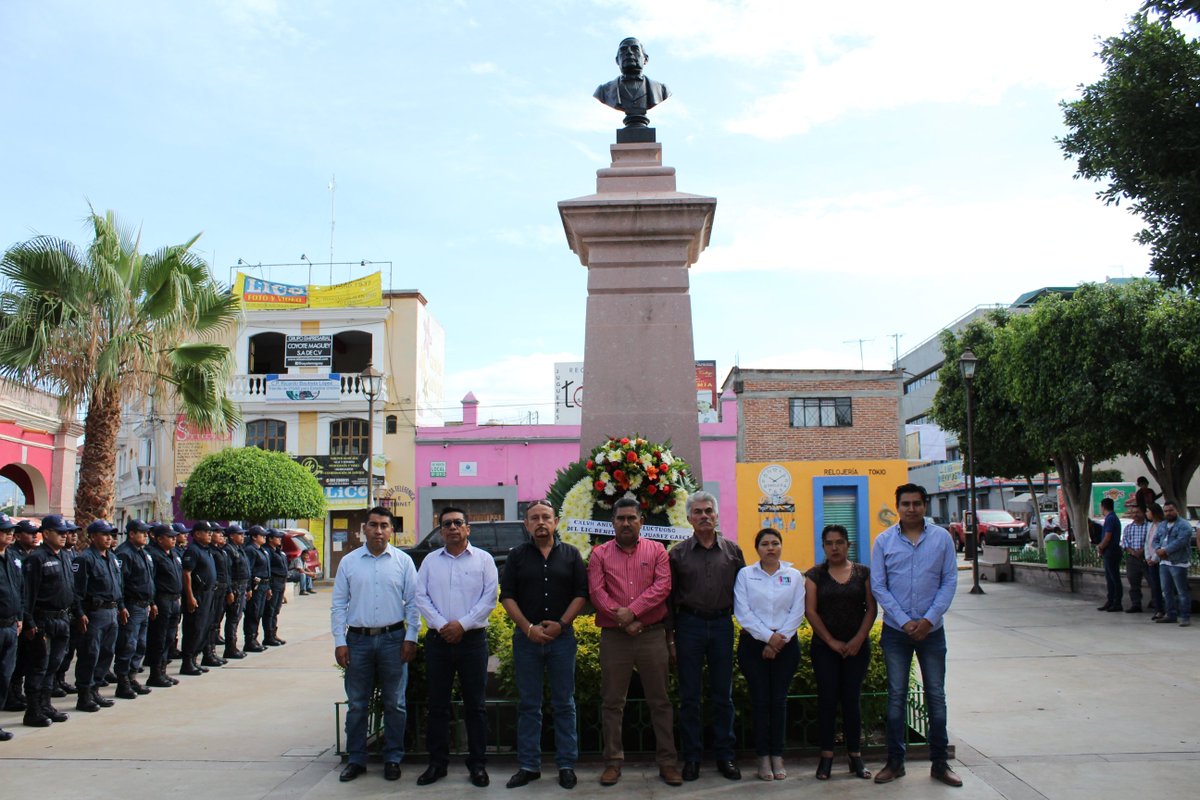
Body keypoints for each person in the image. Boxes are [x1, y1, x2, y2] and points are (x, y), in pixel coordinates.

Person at [587, 496, 681, 787]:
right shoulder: (599, 554)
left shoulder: (658, 551)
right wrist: (622, 618)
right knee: (613, 702)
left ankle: (667, 762)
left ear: (642, 521)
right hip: (615, 637)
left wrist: (634, 613)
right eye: (620, 518)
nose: (626, 523)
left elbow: (662, 586)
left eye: (631, 518)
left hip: (651, 635)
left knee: (660, 702)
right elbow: (597, 592)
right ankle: (613, 762)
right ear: (612, 522)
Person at [870, 484, 961, 787]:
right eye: (906, 503)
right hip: (896, 632)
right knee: (896, 697)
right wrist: (905, 621)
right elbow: (879, 586)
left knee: (936, 696)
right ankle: (895, 762)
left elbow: (949, 581)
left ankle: (939, 764)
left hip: (932, 632)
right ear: (897, 506)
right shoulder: (883, 541)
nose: (911, 508)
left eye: (917, 503)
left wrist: (928, 619)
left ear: (925, 506)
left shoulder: (942, 539)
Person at [499, 500, 588, 790]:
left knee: (564, 703)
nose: (540, 522)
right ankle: (529, 765)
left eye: (545, 517)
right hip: (527, 641)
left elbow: (580, 594)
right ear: (526, 524)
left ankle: (566, 765)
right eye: (534, 518)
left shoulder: (572, 555)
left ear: (556, 522)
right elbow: (507, 596)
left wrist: (561, 624)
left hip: (562, 639)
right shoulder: (516, 557)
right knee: (529, 705)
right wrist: (528, 628)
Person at [331, 507, 420, 783]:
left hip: (394, 639)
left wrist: (411, 637)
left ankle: (393, 758)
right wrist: (340, 641)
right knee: (357, 703)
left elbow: (414, 604)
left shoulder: (403, 562)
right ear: (364, 529)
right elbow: (338, 605)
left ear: (391, 530)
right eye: (373, 525)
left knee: (396, 703)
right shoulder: (349, 562)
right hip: (357, 640)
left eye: (384, 525)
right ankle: (356, 759)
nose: (378, 530)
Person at [414, 507, 498, 788]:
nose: (452, 527)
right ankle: (437, 764)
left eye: (458, 523)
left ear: (467, 528)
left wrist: (461, 625)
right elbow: (421, 596)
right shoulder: (429, 561)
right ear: (440, 531)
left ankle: (478, 765)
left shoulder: (484, 560)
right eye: (446, 524)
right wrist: (441, 625)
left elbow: (489, 599)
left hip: (472, 642)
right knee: (437, 705)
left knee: (476, 706)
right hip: (438, 642)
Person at [668, 491, 745, 781]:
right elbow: (669, 600)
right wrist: (671, 638)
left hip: (723, 625)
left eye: (708, 511)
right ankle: (692, 757)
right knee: (690, 696)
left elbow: (745, 593)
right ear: (689, 518)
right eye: (697, 512)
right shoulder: (677, 554)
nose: (703, 516)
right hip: (689, 626)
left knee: (723, 696)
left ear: (716, 515)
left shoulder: (733, 552)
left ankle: (725, 756)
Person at [805, 524, 878, 781]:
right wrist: (831, 641)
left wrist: (859, 638)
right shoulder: (814, 575)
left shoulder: (863, 573)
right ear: (823, 546)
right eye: (829, 543)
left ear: (848, 544)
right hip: (825, 648)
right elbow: (810, 611)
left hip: (857, 647)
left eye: (839, 542)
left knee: (851, 700)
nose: (834, 547)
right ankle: (826, 757)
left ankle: (855, 755)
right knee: (827, 700)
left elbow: (871, 608)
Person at [734, 527, 805, 781]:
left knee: (779, 701)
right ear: (757, 548)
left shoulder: (794, 575)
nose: (771, 548)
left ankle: (778, 754)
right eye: (765, 544)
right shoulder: (745, 575)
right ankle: (762, 757)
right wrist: (767, 638)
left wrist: (777, 641)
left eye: (775, 543)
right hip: (753, 646)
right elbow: (743, 611)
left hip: (786, 646)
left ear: (781, 546)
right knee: (760, 701)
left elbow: (798, 611)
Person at [22, 514, 77, 727]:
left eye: (66, 533)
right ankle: (33, 709)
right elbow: (28, 593)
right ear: (46, 533)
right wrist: (29, 622)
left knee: (54, 664)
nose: (65, 536)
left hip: (62, 618)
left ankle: (46, 704)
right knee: (39, 666)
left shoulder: (64, 556)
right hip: (43, 620)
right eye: (60, 533)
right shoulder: (37, 558)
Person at [72, 519, 126, 712]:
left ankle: (95, 689)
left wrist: (121, 606)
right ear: (93, 536)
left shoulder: (111, 557)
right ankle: (84, 694)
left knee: (106, 652)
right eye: (105, 534)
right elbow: (77, 591)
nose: (109, 538)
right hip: (94, 613)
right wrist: (79, 614)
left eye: (111, 534)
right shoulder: (85, 558)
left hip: (111, 611)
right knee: (90, 653)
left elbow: (117, 585)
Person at [114, 518, 156, 698]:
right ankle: (123, 681)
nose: (146, 536)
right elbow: (120, 583)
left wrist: (152, 602)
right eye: (142, 532)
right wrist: (122, 606)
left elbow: (148, 581)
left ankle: (132, 677)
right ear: (131, 534)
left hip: (144, 605)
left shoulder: (142, 552)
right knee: (128, 644)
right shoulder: (124, 554)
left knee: (140, 644)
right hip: (131, 605)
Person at [593, 37, 671, 126]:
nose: (629, 52)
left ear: (645, 59)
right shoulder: (603, 91)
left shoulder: (662, 90)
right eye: (623, 50)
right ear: (617, 60)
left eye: (635, 49)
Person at [5, 519, 39, 712]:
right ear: (19, 536)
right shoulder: (13, 556)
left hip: (23, 616)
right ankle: (11, 694)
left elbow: (25, 591)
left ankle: (16, 693)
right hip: (12, 618)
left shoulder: (30, 555)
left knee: (23, 659)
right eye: (30, 533)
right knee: (13, 662)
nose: (35, 536)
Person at [144, 523, 183, 688]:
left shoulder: (173, 553)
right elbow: (150, 581)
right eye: (170, 537)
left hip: (174, 600)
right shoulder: (153, 555)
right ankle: (155, 673)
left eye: (175, 536)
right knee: (158, 638)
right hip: (162, 600)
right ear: (159, 539)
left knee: (169, 637)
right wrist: (152, 602)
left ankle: (163, 670)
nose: (174, 539)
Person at [180, 521, 217, 676]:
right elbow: (186, 574)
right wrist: (190, 597)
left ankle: (195, 659)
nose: (210, 534)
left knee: (204, 627)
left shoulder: (206, 550)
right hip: (198, 594)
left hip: (209, 593)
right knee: (194, 628)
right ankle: (187, 662)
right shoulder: (193, 551)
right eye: (206, 531)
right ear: (196, 534)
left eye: (210, 532)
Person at [1153, 500, 1193, 627]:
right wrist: (1158, 550)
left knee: (1182, 591)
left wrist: (1166, 550)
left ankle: (1185, 617)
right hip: (1164, 562)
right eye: (1165, 511)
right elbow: (1155, 540)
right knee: (1166, 591)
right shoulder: (1162, 525)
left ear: (1177, 511)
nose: (1168, 513)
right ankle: (1170, 614)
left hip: (1178, 562)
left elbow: (1181, 541)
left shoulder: (1184, 525)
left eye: (1170, 510)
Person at [0, 514, 21, 741]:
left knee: (4, 676)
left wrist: (20, 616)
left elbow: (20, 590)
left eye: (10, 530)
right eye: (4, 529)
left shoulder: (13, 558)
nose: (9, 533)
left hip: (10, 626)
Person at [203, 526, 231, 667]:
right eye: (217, 533)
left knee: (216, 622)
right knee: (209, 623)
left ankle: (212, 652)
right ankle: (207, 653)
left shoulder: (221, 551)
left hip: (222, 589)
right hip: (212, 590)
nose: (221, 535)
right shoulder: (209, 551)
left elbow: (227, 572)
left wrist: (229, 590)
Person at [222, 523, 251, 659]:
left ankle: (233, 646)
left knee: (237, 617)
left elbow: (246, 570)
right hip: (235, 587)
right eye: (240, 534)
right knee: (233, 618)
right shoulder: (229, 550)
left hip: (242, 586)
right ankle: (230, 647)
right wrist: (229, 591)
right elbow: (227, 572)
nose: (243, 536)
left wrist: (248, 588)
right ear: (232, 536)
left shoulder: (240, 549)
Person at [242, 525, 272, 652]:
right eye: (262, 535)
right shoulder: (250, 550)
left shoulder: (262, 550)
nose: (264, 537)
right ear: (254, 536)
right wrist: (248, 588)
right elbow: (249, 570)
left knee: (259, 613)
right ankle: (250, 640)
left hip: (264, 585)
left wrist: (268, 587)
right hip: (256, 585)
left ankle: (255, 639)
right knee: (252, 613)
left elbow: (266, 570)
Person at [1119, 504, 1152, 614]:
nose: (1135, 515)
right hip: (1132, 559)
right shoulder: (1129, 528)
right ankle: (1136, 604)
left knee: (1153, 582)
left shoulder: (1149, 527)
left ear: (1143, 513)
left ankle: (1156, 603)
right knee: (1133, 583)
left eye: (1138, 512)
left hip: (1147, 557)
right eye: (1133, 513)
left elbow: (1151, 542)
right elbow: (1125, 542)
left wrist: (1142, 550)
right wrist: (1132, 552)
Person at [1096, 498, 1123, 612]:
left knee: (1114, 577)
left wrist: (1100, 546)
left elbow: (1108, 536)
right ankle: (1110, 600)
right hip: (1109, 551)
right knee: (1110, 577)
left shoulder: (1110, 518)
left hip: (1112, 550)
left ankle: (1116, 602)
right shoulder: (1111, 518)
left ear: (1103, 506)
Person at [263, 529, 289, 646]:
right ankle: (268, 636)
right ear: (270, 539)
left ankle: (273, 633)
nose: (279, 539)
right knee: (270, 610)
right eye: (277, 537)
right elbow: (267, 570)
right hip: (273, 582)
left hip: (281, 583)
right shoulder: (267, 552)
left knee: (276, 610)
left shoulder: (279, 551)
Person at [1145, 503, 1166, 619]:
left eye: (1148, 511)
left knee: (1164, 586)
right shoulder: (1149, 525)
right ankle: (1158, 609)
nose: (1146, 514)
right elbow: (1147, 543)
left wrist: (1154, 558)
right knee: (1155, 586)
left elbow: (1161, 543)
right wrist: (1147, 556)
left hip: (1160, 560)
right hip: (1151, 560)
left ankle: (1166, 609)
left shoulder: (1162, 526)